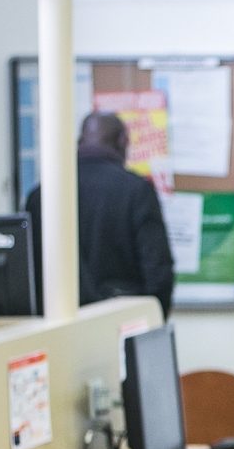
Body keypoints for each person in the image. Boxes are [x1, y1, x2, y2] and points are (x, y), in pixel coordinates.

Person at [25, 112, 174, 314]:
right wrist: (153, 318)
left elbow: (29, 271)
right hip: (123, 321)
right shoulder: (136, 191)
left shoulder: (41, 195)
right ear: (122, 141)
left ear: (80, 142)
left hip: (59, 325)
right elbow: (158, 269)